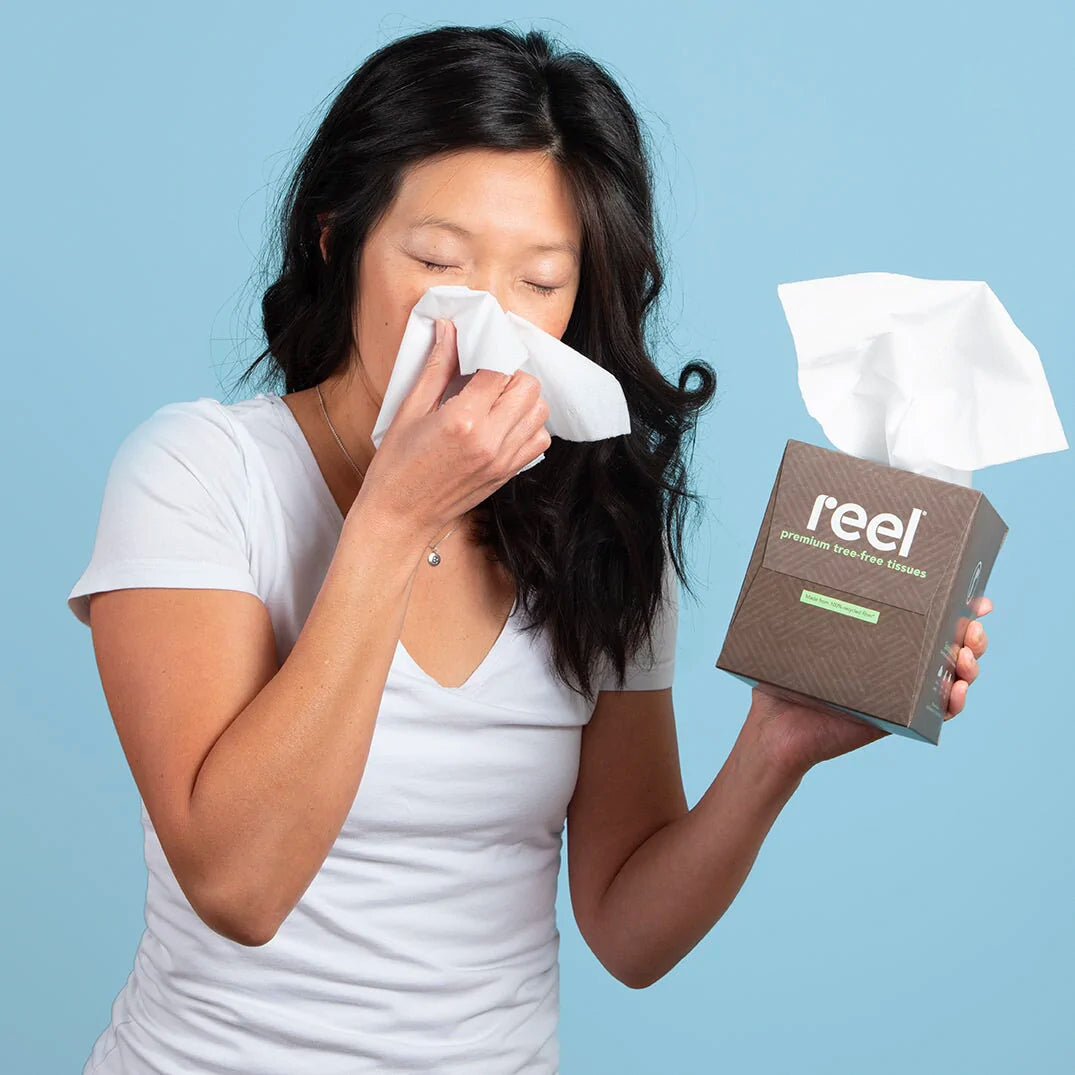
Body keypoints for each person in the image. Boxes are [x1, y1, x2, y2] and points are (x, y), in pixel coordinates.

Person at [66, 24, 993, 1075]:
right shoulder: (196, 474)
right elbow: (238, 885)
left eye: (537, 282)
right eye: (434, 262)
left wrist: (774, 747)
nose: (484, 323)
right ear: (336, 242)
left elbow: (626, 928)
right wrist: (393, 515)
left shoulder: (601, 528)